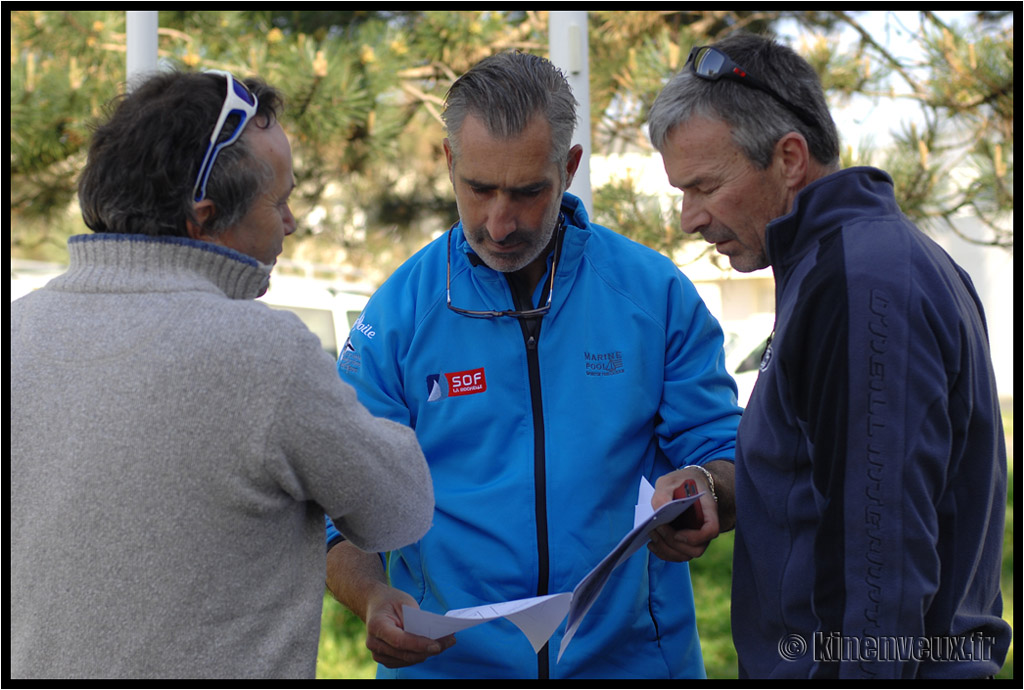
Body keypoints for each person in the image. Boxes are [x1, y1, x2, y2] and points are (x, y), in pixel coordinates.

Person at [325, 51, 742, 680]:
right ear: (448, 163)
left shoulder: (652, 295)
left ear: (569, 169)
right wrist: (372, 597)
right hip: (447, 669)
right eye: (479, 189)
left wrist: (708, 493)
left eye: (526, 192)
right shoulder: (399, 313)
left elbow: (725, 451)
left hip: (633, 665)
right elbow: (338, 505)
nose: (499, 223)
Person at [10, 69, 434, 680]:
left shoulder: (17, 331)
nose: (291, 223)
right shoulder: (263, 354)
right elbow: (399, 510)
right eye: (281, 201)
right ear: (204, 219)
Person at [647, 32, 1011, 679]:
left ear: (789, 158)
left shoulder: (859, 281)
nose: (688, 219)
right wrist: (721, 494)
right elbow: (825, 488)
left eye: (703, 187)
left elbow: (879, 564)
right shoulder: (856, 262)